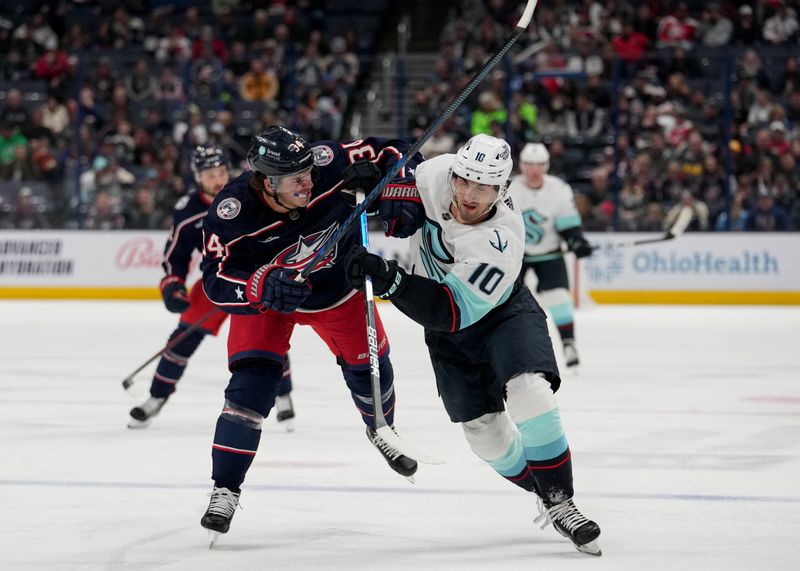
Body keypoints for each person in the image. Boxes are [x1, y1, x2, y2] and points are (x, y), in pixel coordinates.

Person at [346, 134, 602, 556]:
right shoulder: (438, 173)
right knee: (486, 437)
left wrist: (392, 281)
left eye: (482, 188)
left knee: (530, 393)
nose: (467, 194)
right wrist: (372, 182)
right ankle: (541, 489)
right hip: (449, 333)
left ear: (501, 190)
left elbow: (450, 311)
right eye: (465, 181)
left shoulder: (500, 239)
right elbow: (399, 183)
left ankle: (562, 501)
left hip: (500, 314)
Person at [198, 125, 425, 536]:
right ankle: (225, 488)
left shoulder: (326, 162)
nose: (308, 181)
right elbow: (214, 281)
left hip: (337, 292)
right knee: (250, 388)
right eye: (294, 178)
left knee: (372, 366)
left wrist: (398, 190)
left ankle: (381, 428)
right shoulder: (231, 211)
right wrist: (257, 286)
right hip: (269, 300)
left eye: (307, 171)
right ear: (267, 182)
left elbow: (398, 149)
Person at [128, 145, 297, 429]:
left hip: (257, 281)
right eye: (209, 175)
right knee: (181, 340)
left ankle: (284, 397)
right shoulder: (188, 211)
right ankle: (155, 398)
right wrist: (173, 287)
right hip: (216, 283)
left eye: (221, 172)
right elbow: (176, 256)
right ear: (197, 177)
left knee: (268, 340)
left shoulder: (250, 193)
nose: (217, 179)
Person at [506, 143, 593, 369]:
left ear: (546, 165)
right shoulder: (510, 189)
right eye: (529, 165)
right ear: (522, 166)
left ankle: (568, 344)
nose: (534, 170)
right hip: (518, 256)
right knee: (505, 301)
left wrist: (576, 241)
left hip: (550, 254)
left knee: (560, 299)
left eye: (539, 165)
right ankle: (506, 345)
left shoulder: (558, 189)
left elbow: (568, 226)